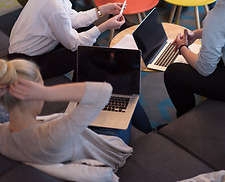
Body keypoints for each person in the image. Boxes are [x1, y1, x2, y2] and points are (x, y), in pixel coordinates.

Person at [0, 58, 151, 171]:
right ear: (33, 94)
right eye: (41, 86)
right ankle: (150, 134)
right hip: (101, 152)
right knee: (130, 99)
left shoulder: (3, 133)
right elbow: (105, 91)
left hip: (74, 142)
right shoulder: (52, 135)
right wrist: (47, 93)